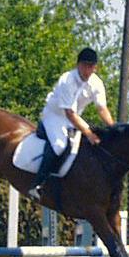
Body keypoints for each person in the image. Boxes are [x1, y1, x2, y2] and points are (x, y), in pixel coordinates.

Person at [30, 47, 115, 200]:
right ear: (78, 65)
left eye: (91, 66)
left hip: (75, 118)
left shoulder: (97, 83)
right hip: (54, 116)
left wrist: (114, 128)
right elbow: (69, 113)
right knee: (59, 146)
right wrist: (88, 133)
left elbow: (102, 109)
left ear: (96, 67)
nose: (88, 70)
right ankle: (38, 184)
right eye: (85, 65)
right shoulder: (67, 80)